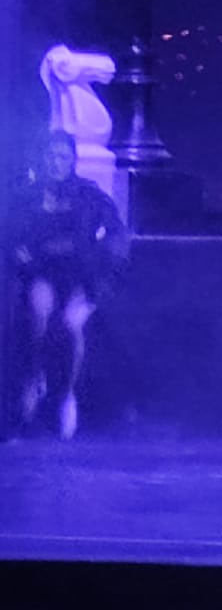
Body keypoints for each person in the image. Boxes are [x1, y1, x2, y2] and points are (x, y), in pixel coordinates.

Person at [6, 129, 129, 439]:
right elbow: (10, 235)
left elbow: (116, 234)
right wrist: (18, 252)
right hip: (41, 272)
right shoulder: (28, 197)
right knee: (38, 313)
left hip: (82, 277)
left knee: (70, 325)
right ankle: (35, 377)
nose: (55, 162)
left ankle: (66, 395)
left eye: (62, 157)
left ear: (72, 160)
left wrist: (101, 259)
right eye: (50, 156)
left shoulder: (89, 196)